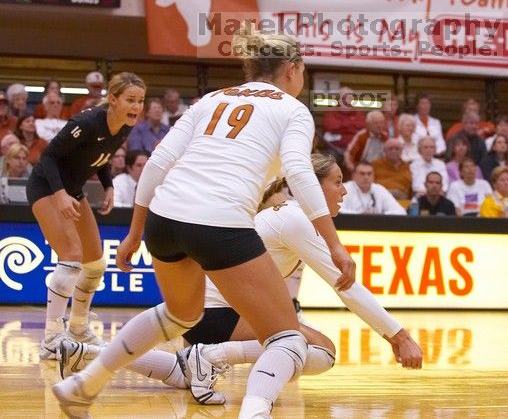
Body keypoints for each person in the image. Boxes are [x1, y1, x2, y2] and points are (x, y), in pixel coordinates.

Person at [52, 25, 357, 419]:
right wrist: (334, 244)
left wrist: (135, 231)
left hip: (165, 217)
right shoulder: (292, 109)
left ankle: (83, 384)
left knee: (180, 314)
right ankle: (254, 413)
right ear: (292, 69)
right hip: (219, 220)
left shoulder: (212, 99)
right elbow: (300, 172)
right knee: (287, 337)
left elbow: (159, 163)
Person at [57, 154, 423, 404]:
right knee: (322, 350)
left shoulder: (284, 214)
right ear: (310, 186)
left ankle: (83, 353)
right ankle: (216, 360)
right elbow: (348, 287)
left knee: (187, 373)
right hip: (217, 315)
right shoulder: (293, 217)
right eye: (337, 182)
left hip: (204, 315)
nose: (344, 191)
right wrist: (398, 335)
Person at [27, 72, 146, 361]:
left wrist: (107, 185)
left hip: (73, 189)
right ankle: (52, 339)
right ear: (113, 99)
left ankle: (78, 328)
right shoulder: (87, 122)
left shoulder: (124, 126)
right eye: (130, 100)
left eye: (141, 101)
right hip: (46, 186)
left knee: (94, 264)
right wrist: (59, 195)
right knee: (71, 256)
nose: (136, 107)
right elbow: (49, 158)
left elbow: (102, 156)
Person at [340, 161, 407, 215]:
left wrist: (379, 216)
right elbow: (337, 211)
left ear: (373, 176)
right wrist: (359, 215)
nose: (366, 177)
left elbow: (401, 212)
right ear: (354, 175)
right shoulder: (343, 189)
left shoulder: (379, 189)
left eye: (369, 174)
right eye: (362, 173)